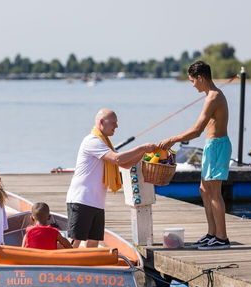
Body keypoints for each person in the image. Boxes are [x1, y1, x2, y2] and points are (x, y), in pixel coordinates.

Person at [159, 60, 232, 250]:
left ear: (200, 78)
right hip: (212, 145)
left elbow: (197, 130)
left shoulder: (213, 97)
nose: (192, 85)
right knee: (204, 189)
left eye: (192, 81)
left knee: (214, 193)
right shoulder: (210, 95)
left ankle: (222, 238)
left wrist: (173, 139)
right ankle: (212, 234)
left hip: (217, 146)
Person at [66, 109, 157, 248]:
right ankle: (66, 266)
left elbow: (125, 164)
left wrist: (143, 152)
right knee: (75, 241)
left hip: (96, 202)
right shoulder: (92, 141)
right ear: (102, 122)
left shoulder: (105, 144)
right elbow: (117, 158)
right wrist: (141, 147)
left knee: (93, 241)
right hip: (82, 199)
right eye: (113, 123)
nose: (116, 126)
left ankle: (89, 268)